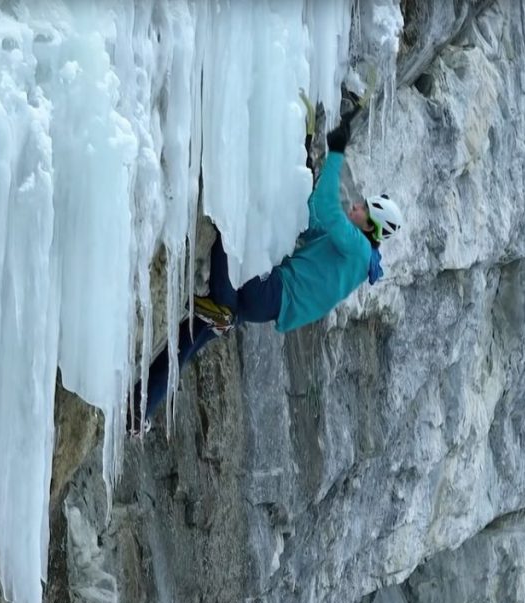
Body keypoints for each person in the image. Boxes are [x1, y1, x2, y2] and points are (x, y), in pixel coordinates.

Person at [130, 105, 404, 432]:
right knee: (187, 338)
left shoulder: (359, 251)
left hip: (271, 292)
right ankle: (140, 410)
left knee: (230, 228)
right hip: (266, 304)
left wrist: (337, 152)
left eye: (364, 208)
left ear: (372, 226)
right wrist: (302, 156)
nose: (356, 205)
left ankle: (223, 306)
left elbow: (330, 210)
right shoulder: (349, 251)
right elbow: (313, 215)